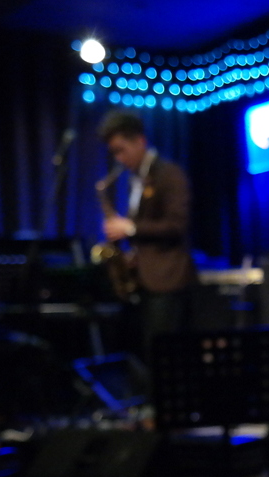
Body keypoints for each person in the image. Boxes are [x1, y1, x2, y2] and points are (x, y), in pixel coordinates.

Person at [97, 110, 197, 361]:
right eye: (114, 153)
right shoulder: (137, 180)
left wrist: (130, 228)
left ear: (140, 141)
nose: (119, 159)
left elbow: (177, 225)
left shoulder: (169, 173)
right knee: (147, 355)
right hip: (145, 281)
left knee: (166, 358)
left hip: (168, 280)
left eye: (121, 150)